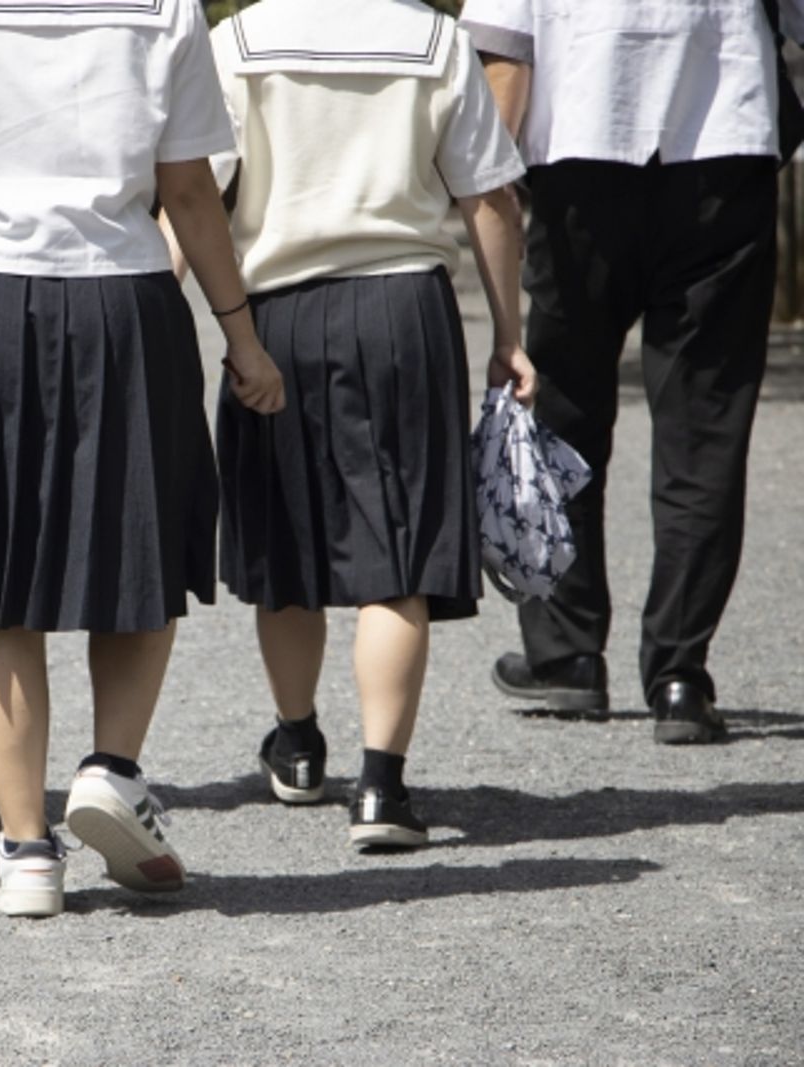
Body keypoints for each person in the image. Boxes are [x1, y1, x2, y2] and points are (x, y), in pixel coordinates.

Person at [0, 0, 283, 917]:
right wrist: (241, 334)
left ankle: (26, 852)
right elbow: (191, 190)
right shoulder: (166, 8)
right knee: (140, 543)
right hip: (124, 304)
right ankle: (111, 769)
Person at [194, 0, 533, 849]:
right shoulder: (435, 38)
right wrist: (509, 336)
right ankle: (382, 788)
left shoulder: (237, 40)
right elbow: (490, 199)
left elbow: (192, 188)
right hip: (403, 311)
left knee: (285, 541)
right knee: (400, 548)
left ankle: (300, 742)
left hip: (273, 314)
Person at [460, 0, 800, 743]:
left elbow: (506, 43)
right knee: (705, 426)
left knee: (561, 405)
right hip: (724, 142)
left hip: (584, 145)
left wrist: (484, 186)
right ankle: (680, 674)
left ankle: (567, 654)